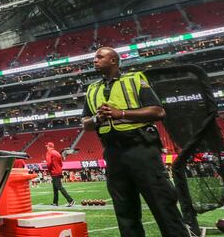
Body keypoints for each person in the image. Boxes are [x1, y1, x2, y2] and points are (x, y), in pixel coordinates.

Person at [81, 47, 189, 237]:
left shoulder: (135, 79)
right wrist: (97, 119)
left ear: (113, 60)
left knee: (162, 203)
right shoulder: (91, 89)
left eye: (100, 57)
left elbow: (158, 111)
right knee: (124, 210)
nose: (95, 60)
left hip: (141, 149)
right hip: (113, 154)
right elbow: (85, 124)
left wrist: (120, 113)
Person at [45, 142, 74, 207]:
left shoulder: (49, 152)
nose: (46, 147)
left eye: (47, 146)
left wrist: (50, 171)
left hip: (54, 172)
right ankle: (55, 202)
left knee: (59, 187)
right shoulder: (57, 153)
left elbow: (49, 163)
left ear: (49, 146)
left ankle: (71, 200)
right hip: (58, 171)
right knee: (55, 188)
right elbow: (61, 164)